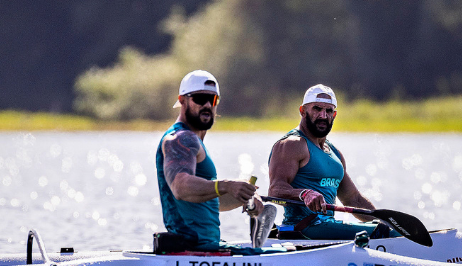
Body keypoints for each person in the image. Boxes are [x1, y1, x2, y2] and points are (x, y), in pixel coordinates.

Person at [156, 70, 278, 254]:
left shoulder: (195, 142)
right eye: (199, 98)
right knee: (287, 253)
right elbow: (180, 187)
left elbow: (208, 200)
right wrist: (227, 185)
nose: (207, 105)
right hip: (192, 247)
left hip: (205, 246)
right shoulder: (180, 139)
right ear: (182, 101)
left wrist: (241, 196)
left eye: (212, 100)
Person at [268, 84, 396, 240]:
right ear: (302, 111)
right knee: (389, 234)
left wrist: (382, 221)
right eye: (317, 109)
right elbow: (275, 190)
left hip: (328, 225)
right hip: (304, 228)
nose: (323, 115)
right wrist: (304, 193)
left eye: (328, 111)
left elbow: (353, 199)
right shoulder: (292, 144)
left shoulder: (334, 152)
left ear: (334, 115)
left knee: (389, 230)